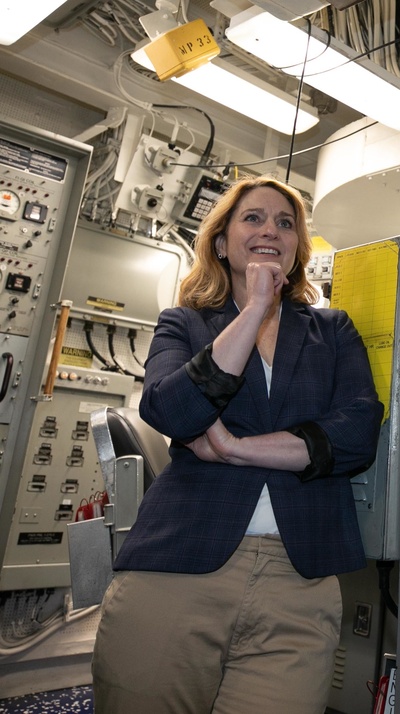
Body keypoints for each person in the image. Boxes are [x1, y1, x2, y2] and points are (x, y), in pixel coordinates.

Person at [92, 176, 383, 713]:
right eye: (253, 218)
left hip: (300, 579)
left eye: (286, 222)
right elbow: (171, 409)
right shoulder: (185, 323)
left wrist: (236, 447)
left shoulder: (333, 330)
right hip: (179, 564)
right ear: (221, 243)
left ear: (298, 249)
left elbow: (358, 432)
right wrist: (254, 308)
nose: (271, 229)